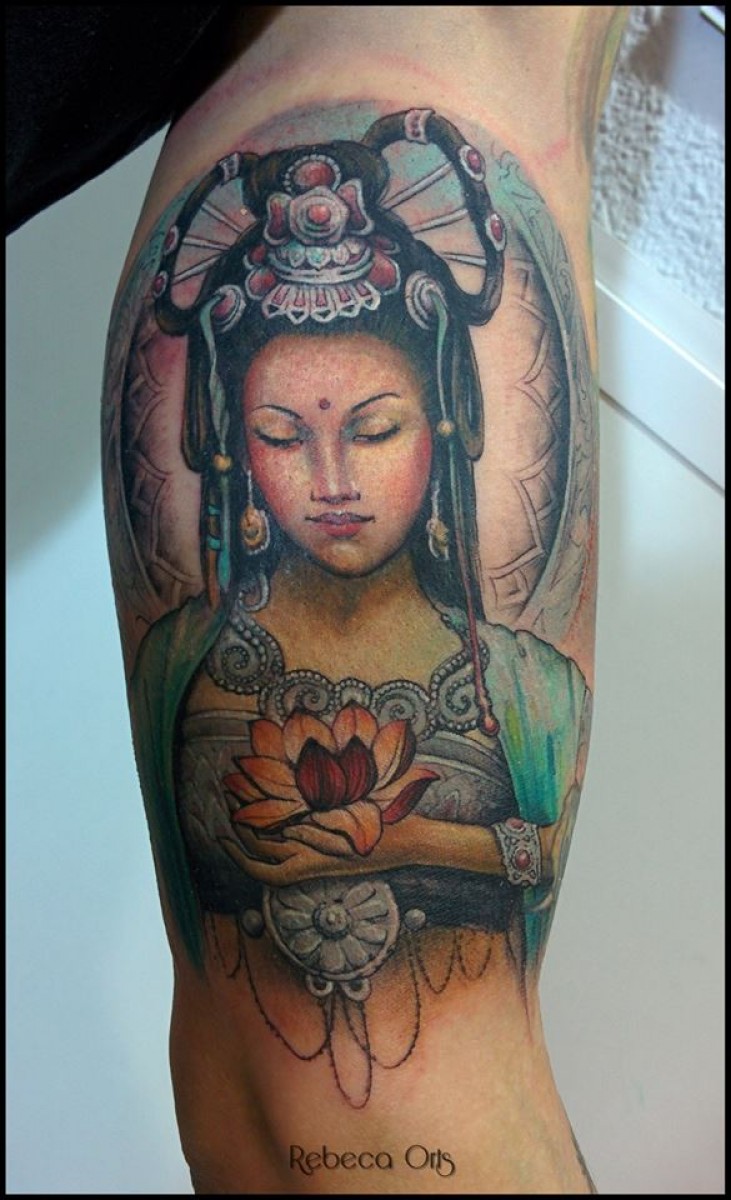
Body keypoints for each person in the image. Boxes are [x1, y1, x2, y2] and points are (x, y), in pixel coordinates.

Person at [16, 5, 627, 1193]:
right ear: (230, 448)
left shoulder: (516, 687)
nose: (333, 481)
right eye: (282, 435)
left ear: (444, 421)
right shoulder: (203, 673)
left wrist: (405, 839)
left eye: (376, 428)